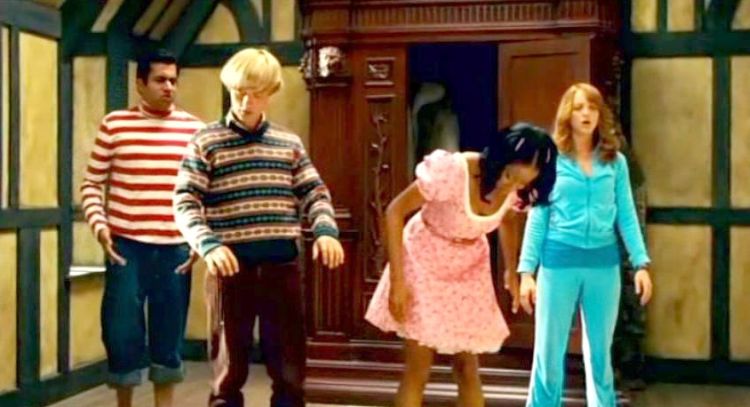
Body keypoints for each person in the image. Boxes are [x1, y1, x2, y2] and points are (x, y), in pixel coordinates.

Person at [173, 47, 345, 407]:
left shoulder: (288, 143)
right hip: (229, 269)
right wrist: (208, 244)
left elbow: (314, 192)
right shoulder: (206, 141)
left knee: (289, 368)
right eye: (238, 92)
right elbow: (185, 201)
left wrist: (325, 231)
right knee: (228, 368)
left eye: (256, 93)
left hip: (282, 267)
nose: (245, 101)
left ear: (272, 92)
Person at [365, 123, 558, 407]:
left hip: (468, 268)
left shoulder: (519, 190)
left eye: (521, 184)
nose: (511, 187)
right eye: (509, 176)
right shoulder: (452, 171)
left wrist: (511, 269)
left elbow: (507, 220)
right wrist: (398, 281)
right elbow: (394, 212)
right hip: (424, 259)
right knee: (419, 366)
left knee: (467, 367)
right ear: (500, 159)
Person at [517, 83, 654, 407]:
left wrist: (641, 263)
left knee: (600, 355)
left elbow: (627, 215)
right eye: (579, 107)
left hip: (603, 267)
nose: (586, 114)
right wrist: (526, 272)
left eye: (592, 107)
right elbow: (538, 217)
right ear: (568, 115)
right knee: (549, 353)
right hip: (558, 265)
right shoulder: (550, 160)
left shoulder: (615, 162)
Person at [80, 49, 204, 407]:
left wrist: (200, 238)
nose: (169, 87)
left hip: (175, 248)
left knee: (168, 336)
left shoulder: (195, 130)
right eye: (160, 80)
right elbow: (91, 183)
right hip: (126, 247)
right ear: (140, 84)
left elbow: (204, 191)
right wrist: (100, 227)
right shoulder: (115, 125)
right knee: (121, 334)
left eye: (173, 80)